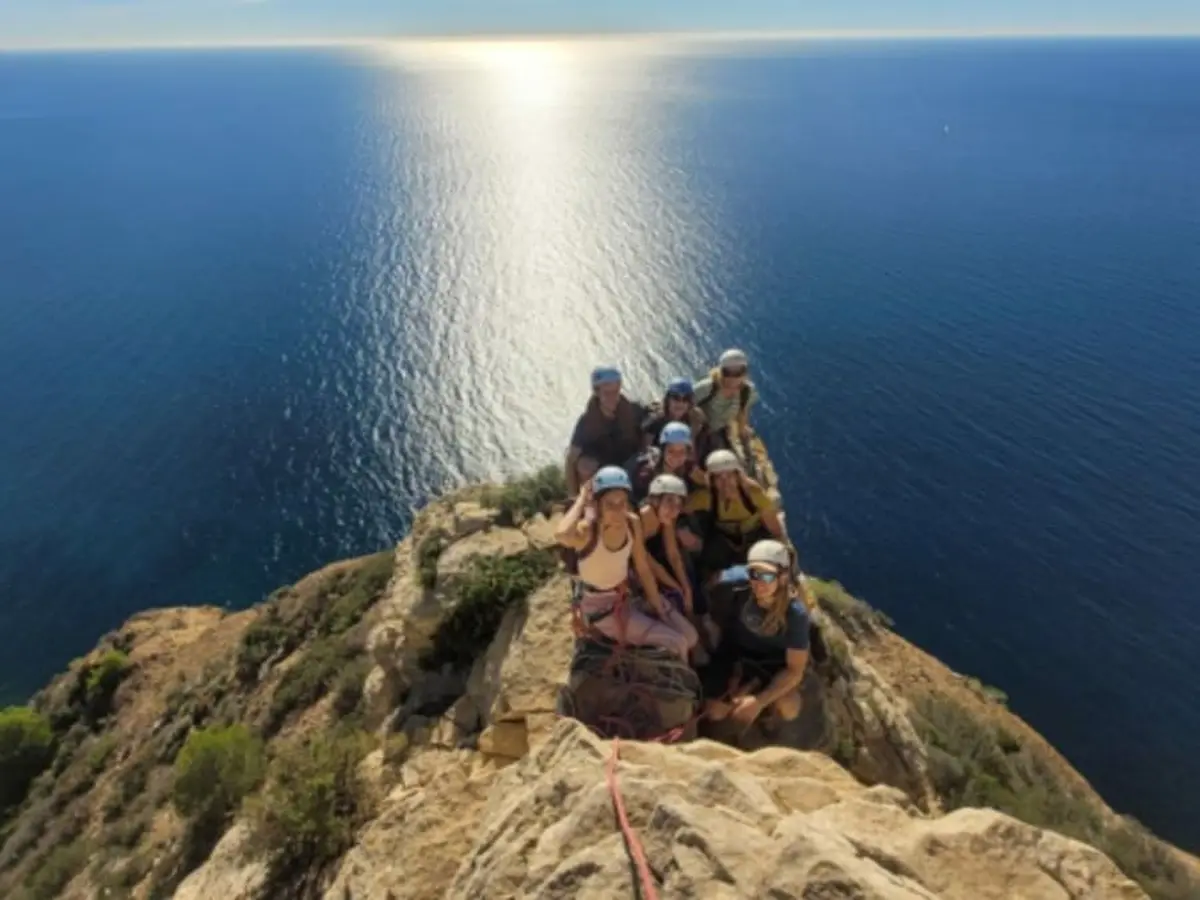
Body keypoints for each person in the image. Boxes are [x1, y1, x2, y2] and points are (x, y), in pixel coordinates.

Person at [554, 466, 697, 660]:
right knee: (676, 642)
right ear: (597, 504)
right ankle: (676, 687)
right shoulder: (589, 531)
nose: (617, 510)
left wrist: (657, 606)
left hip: (627, 595)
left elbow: (643, 568)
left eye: (622, 502)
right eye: (609, 504)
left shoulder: (632, 523)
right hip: (601, 608)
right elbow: (562, 534)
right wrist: (581, 500)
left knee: (690, 636)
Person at [700, 539, 811, 729]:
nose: (759, 583)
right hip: (736, 652)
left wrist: (759, 701)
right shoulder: (733, 585)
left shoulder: (795, 613)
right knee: (714, 712)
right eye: (753, 574)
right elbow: (710, 601)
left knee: (789, 707)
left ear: (783, 577)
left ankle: (764, 711)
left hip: (773, 663)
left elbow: (794, 670)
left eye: (767, 577)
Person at [689, 449, 784, 579]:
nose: (725, 482)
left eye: (729, 476)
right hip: (724, 542)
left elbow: (774, 529)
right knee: (707, 569)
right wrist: (681, 530)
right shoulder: (706, 497)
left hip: (754, 538)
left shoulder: (753, 493)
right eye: (719, 477)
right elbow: (678, 509)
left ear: (737, 476)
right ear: (712, 480)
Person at [564, 366, 647, 497]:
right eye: (607, 393)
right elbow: (571, 458)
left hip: (629, 462)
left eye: (615, 392)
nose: (612, 398)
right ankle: (591, 499)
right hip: (601, 469)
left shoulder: (632, 410)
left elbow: (651, 419)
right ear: (597, 393)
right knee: (584, 466)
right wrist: (572, 493)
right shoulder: (587, 422)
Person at [692, 349, 759, 452]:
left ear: (745, 372)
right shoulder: (708, 387)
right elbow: (685, 402)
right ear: (720, 371)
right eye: (727, 372)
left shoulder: (747, 392)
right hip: (697, 430)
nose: (733, 378)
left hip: (718, 431)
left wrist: (742, 433)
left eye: (738, 373)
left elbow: (743, 412)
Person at [628, 421, 707, 504]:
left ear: (687, 453)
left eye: (681, 452)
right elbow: (637, 502)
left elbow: (708, 485)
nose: (676, 456)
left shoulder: (690, 469)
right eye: (671, 451)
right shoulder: (647, 473)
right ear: (663, 451)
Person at [640, 377, 712, 461]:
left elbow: (692, 453)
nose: (680, 403)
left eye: (686, 399)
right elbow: (645, 450)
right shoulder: (656, 419)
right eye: (676, 398)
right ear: (668, 400)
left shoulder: (692, 420)